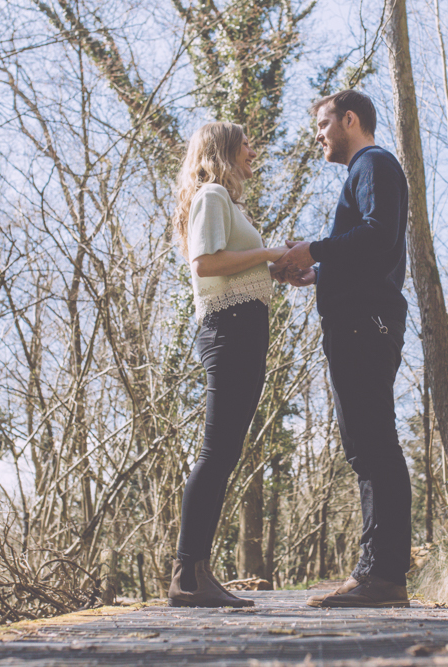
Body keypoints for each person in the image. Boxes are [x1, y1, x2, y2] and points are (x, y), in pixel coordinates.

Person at [272, 90, 410, 608]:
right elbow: (369, 251)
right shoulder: (365, 171)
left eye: (324, 123)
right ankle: (382, 574)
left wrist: (316, 248)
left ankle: (381, 574)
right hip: (357, 324)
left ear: (351, 119)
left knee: (373, 444)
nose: (318, 135)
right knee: (366, 445)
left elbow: (377, 237)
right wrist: (317, 271)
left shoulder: (373, 163)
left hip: (364, 325)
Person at [169, 122, 288, 607]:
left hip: (242, 328)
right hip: (229, 329)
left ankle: (196, 573)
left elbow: (232, 262)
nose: (253, 149)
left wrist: (273, 267)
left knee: (223, 454)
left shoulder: (226, 201)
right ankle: (188, 575)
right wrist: (268, 252)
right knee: (215, 453)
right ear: (224, 149)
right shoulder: (213, 194)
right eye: (247, 142)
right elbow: (205, 264)